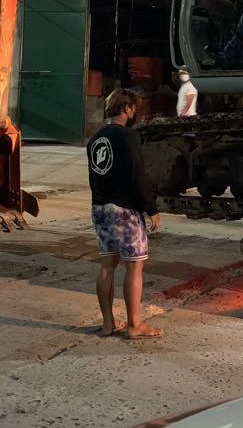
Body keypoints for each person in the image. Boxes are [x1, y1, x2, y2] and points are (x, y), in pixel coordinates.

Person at [88, 89, 163, 339]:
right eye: (134, 108)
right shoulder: (127, 136)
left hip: (100, 208)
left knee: (107, 264)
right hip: (124, 210)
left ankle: (108, 324)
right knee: (135, 267)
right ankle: (134, 325)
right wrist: (151, 208)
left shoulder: (96, 138)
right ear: (127, 108)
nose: (134, 113)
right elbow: (137, 175)